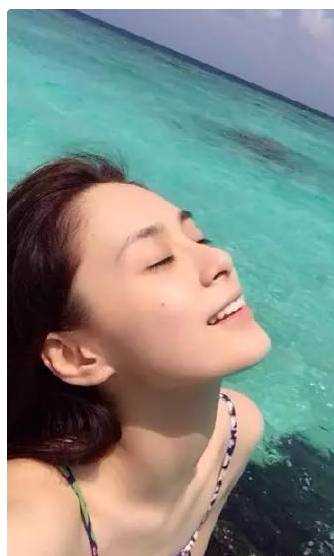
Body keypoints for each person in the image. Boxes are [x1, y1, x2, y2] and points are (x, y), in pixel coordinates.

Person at [7, 153, 272, 556]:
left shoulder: (236, 431)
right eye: (159, 261)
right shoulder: (31, 527)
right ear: (76, 356)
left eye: (199, 238)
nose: (220, 260)